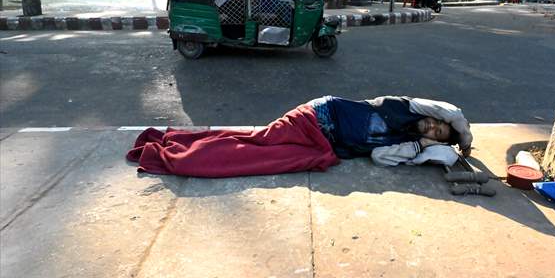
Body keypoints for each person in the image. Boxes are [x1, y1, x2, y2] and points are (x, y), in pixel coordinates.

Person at [127, 96, 473, 178]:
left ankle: (181, 146)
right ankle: (175, 147)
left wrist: (427, 148)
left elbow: (380, 158)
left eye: (437, 133)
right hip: (315, 116)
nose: (432, 127)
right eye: (434, 124)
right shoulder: (407, 107)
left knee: (257, 153)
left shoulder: (406, 145)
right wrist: (464, 140)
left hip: (321, 144)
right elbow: (453, 113)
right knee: (256, 144)